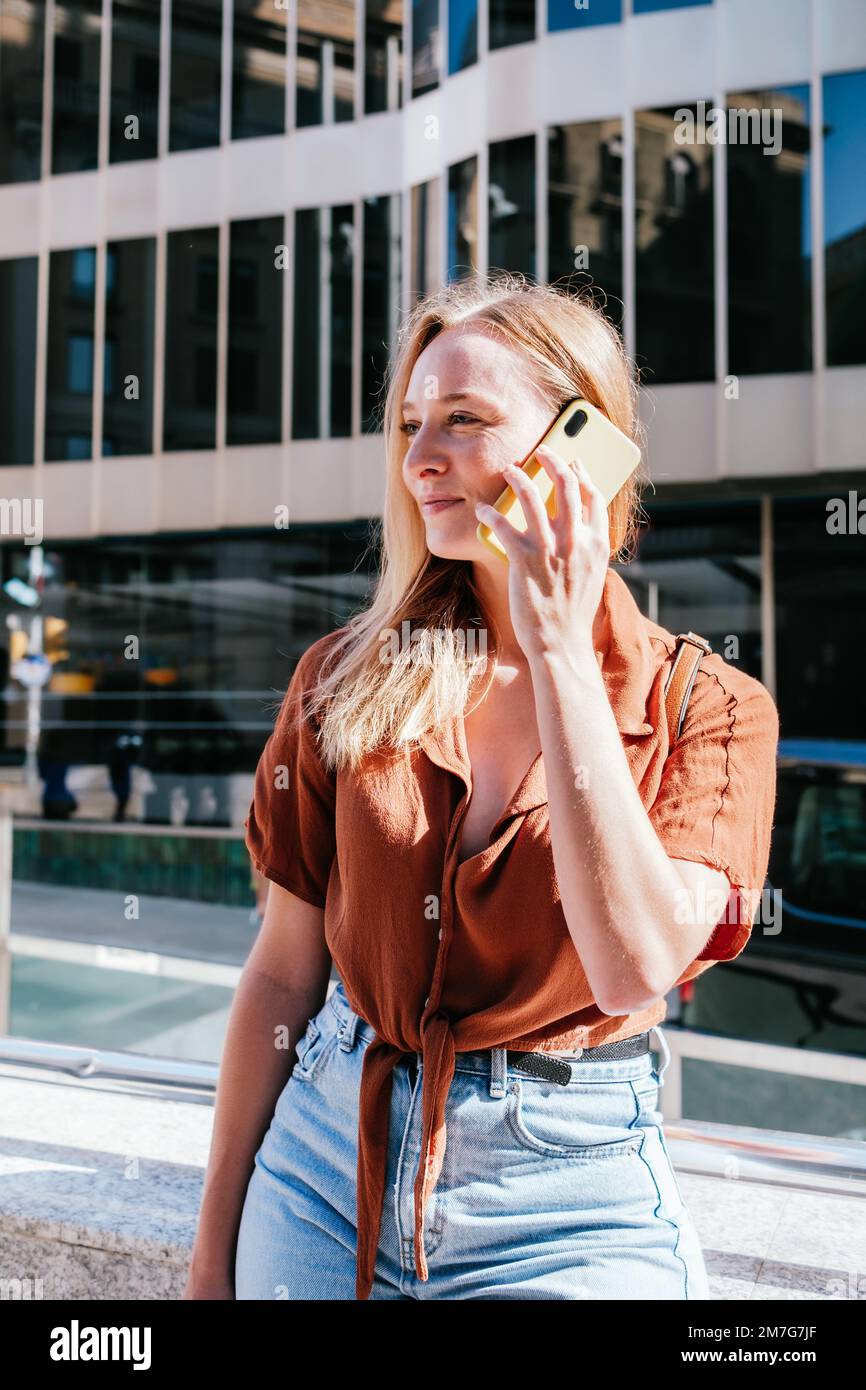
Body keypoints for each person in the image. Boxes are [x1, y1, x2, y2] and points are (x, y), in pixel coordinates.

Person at [184, 274, 779, 1301]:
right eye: (412, 423)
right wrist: (210, 1250)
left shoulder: (712, 709)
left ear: (579, 445)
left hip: (571, 1197)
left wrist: (556, 646)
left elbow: (634, 965)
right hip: (326, 1162)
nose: (419, 460)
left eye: (463, 419)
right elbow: (282, 975)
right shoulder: (342, 675)